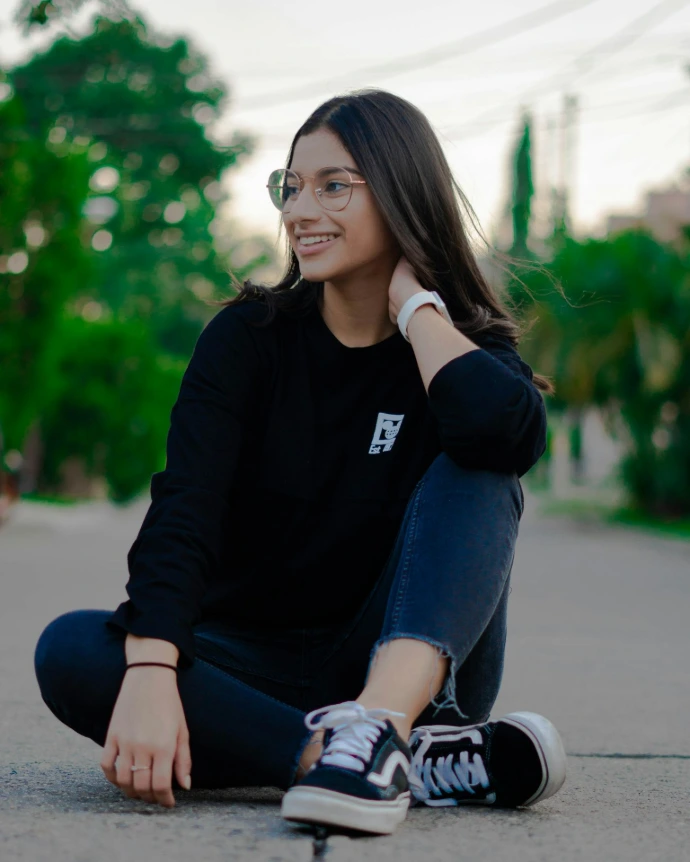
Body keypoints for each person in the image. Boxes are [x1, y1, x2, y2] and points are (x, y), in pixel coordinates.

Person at [34, 88, 567, 836]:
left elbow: (506, 438)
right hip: (250, 669)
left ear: (402, 194)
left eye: (334, 185)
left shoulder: (457, 353)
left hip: (409, 669)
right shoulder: (248, 341)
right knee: (73, 651)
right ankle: (362, 757)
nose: (298, 211)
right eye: (292, 186)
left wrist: (418, 310)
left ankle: (381, 728)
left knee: (478, 456)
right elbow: (185, 505)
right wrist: (153, 670)